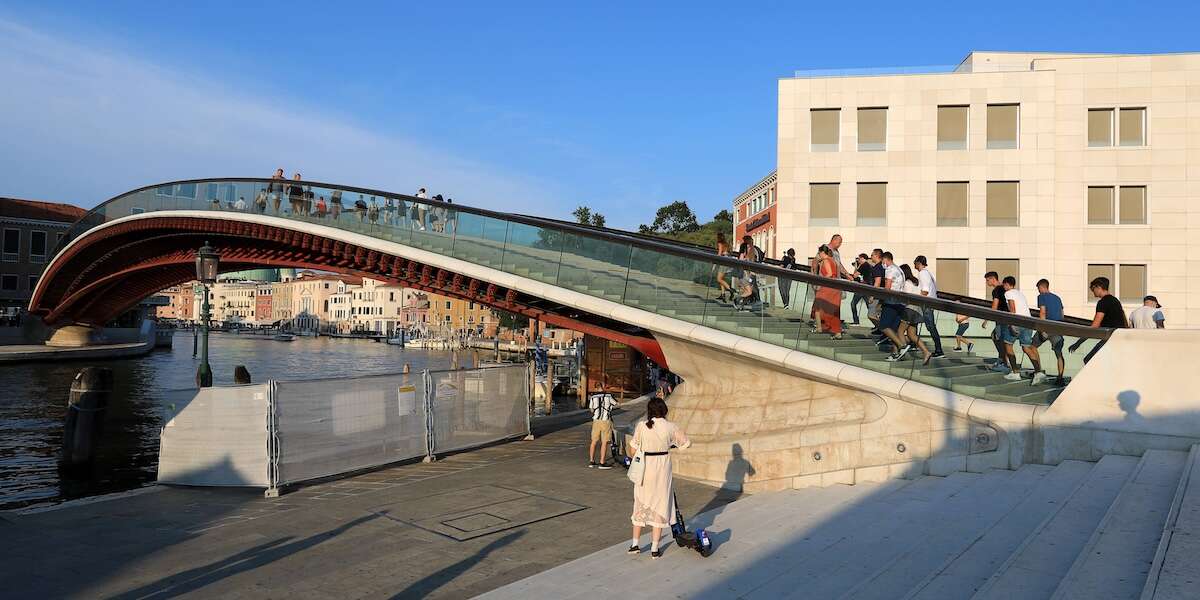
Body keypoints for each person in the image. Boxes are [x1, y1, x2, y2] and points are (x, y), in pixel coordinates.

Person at [627, 398, 691, 559]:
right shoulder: (671, 426)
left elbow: (632, 450)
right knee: (661, 504)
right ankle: (655, 548)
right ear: (664, 410)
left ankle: (635, 544)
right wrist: (670, 445)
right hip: (662, 467)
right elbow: (686, 444)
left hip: (645, 468)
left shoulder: (642, 426)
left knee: (640, 502)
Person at [1069, 277, 1128, 363]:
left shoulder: (1102, 302)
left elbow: (1094, 326)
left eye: (1093, 289)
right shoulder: (1116, 301)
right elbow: (1124, 320)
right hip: (1119, 337)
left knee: (1089, 360)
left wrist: (1078, 343)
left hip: (1110, 338)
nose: (1093, 292)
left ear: (1099, 287)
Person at [887, 264, 932, 364]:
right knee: (912, 335)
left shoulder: (907, 283)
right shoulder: (916, 281)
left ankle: (902, 349)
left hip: (909, 309)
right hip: (918, 309)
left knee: (900, 331)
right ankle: (926, 352)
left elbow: (906, 297)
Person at [1001, 276, 1043, 383]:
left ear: (1007, 284)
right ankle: (1038, 372)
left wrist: (1011, 324)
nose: (1003, 287)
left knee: (1008, 345)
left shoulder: (1008, 293)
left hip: (1017, 322)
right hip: (1028, 322)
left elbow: (1013, 309)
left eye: (1004, 285)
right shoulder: (1020, 293)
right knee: (1026, 348)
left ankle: (1015, 372)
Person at [878, 252, 911, 357]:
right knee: (894, 329)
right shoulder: (899, 269)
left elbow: (887, 287)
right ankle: (895, 353)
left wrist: (880, 300)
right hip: (901, 302)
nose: (882, 264)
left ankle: (901, 345)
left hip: (891, 301)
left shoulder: (890, 269)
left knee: (884, 326)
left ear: (886, 259)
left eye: (883, 261)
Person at [1034, 279, 1066, 384]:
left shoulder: (1041, 297)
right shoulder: (1057, 298)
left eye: (1038, 288)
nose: (1038, 291)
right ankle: (1060, 377)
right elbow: (1062, 314)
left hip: (1047, 327)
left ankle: (1038, 371)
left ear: (1042, 287)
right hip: (1058, 327)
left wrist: (1042, 329)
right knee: (1059, 354)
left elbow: (1042, 312)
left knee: (1031, 347)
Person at [913, 256, 944, 358]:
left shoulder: (923, 273)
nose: (914, 265)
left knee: (930, 326)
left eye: (915, 263)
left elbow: (925, 290)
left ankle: (939, 350)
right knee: (929, 326)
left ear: (919, 263)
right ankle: (914, 343)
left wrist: (918, 301)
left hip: (926, 303)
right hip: (930, 302)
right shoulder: (928, 273)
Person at [983, 271, 1012, 374]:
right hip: (1007, 317)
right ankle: (1002, 359)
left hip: (1001, 318)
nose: (987, 283)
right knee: (996, 337)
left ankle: (1004, 362)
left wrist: (986, 320)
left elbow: (994, 306)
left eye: (987, 280)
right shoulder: (1004, 288)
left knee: (999, 339)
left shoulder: (996, 290)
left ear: (993, 279)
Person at [812, 245, 843, 338]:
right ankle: (837, 332)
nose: (818, 255)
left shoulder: (825, 261)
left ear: (822, 252)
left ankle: (819, 328)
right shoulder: (833, 261)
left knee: (817, 307)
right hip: (834, 288)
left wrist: (820, 282)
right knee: (832, 310)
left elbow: (829, 274)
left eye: (819, 253)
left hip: (827, 288)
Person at [587, 388, 618, 469]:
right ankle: (602, 462)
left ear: (596, 388)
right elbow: (616, 404)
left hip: (596, 420)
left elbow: (591, 409)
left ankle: (591, 461)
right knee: (604, 442)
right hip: (606, 421)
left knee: (593, 441)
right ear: (602, 387)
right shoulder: (608, 396)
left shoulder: (593, 397)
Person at [850, 253, 871, 324]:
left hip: (862, 288)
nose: (858, 260)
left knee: (853, 304)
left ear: (862, 258)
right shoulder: (868, 265)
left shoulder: (863, 265)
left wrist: (856, 267)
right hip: (868, 288)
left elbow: (855, 275)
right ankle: (877, 323)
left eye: (859, 259)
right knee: (869, 306)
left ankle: (856, 321)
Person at [714, 233, 733, 301]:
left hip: (723, 261)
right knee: (722, 279)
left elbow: (719, 254)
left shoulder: (720, 243)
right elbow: (728, 252)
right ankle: (723, 294)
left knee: (719, 279)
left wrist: (715, 263)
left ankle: (731, 290)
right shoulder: (726, 244)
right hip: (727, 261)